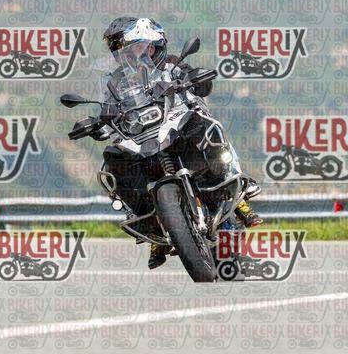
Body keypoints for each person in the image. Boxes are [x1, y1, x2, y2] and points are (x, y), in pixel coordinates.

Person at [102, 17, 262, 269]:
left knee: (206, 126)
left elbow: (203, 84)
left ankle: (234, 180)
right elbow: (107, 108)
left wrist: (197, 79)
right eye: (124, 51)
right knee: (115, 159)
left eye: (137, 48)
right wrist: (97, 122)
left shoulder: (172, 63)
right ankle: (154, 221)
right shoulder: (116, 81)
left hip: (181, 123)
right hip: (144, 135)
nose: (132, 55)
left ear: (155, 44)